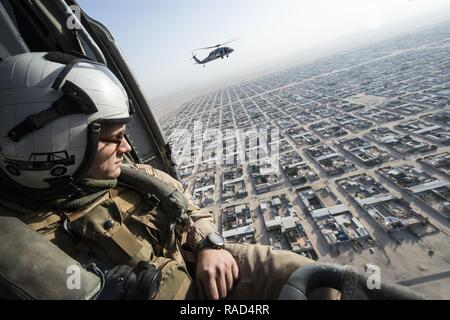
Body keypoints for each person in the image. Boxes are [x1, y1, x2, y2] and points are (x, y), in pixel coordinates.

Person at [0, 52, 328, 300]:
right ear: (53, 151)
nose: (126, 147)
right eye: (113, 138)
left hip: (198, 269)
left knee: (316, 279)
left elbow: (188, 208)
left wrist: (208, 244)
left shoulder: (133, 176)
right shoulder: (20, 251)